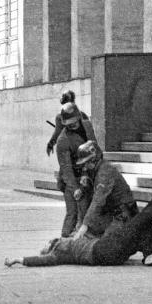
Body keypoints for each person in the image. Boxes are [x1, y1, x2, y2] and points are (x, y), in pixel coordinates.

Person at [6, 142, 152, 268]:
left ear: (95, 159)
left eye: (87, 163)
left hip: (123, 213)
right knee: (127, 233)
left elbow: (98, 201)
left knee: (135, 226)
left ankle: (150, 251)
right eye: (84, 164)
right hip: (110, 224)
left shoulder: (105, 171)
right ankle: (144, 247)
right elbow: (89, 203)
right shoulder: (94, 172)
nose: (85, 167)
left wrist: (83, 227)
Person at [55, 102, 96, 238]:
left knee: (87, 213)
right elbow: (66, 168)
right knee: (72, 213)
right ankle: (63, 240)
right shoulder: (63, 141)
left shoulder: (87, 126)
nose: (72, 125)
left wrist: (88, 172)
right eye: (68, 124)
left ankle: (83, 240)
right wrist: (75, 189)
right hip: (72, 178)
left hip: (88, 173)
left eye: (74, 122)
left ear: (79, 117)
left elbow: (94, 148)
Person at [46, 90, 89, 156]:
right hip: (86, 148)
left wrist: (50, 144)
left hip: (73, 151)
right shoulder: (82, 114)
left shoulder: (60, 117)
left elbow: (57, 133)